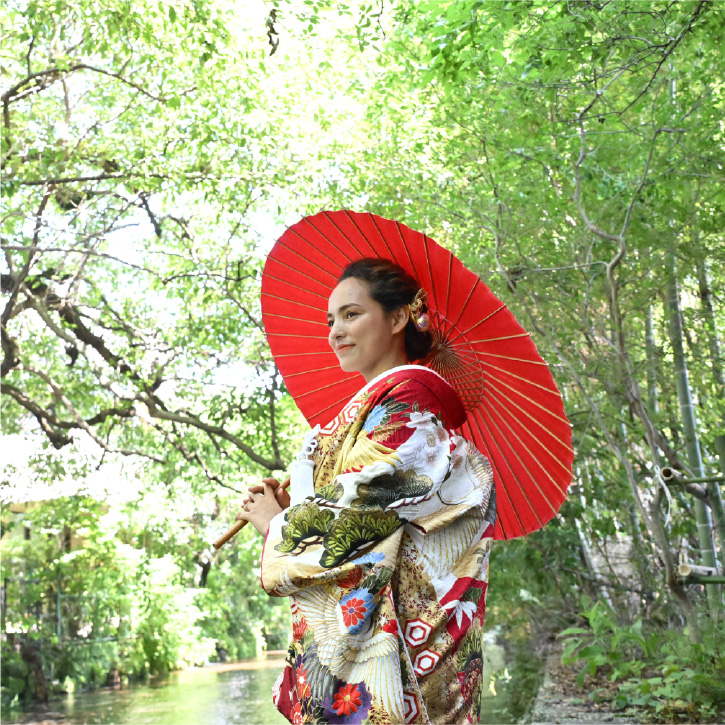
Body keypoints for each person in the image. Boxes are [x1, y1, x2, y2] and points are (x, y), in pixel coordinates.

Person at [236, 258, 496, 725]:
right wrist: (297, 499)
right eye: (331, 320)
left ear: (397, 319)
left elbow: (362, 516)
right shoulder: (378, 411)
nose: (336, 331)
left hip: (409, 654)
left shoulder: (410, 407)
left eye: (352, 314)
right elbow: (361, 502)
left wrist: (276, 524)